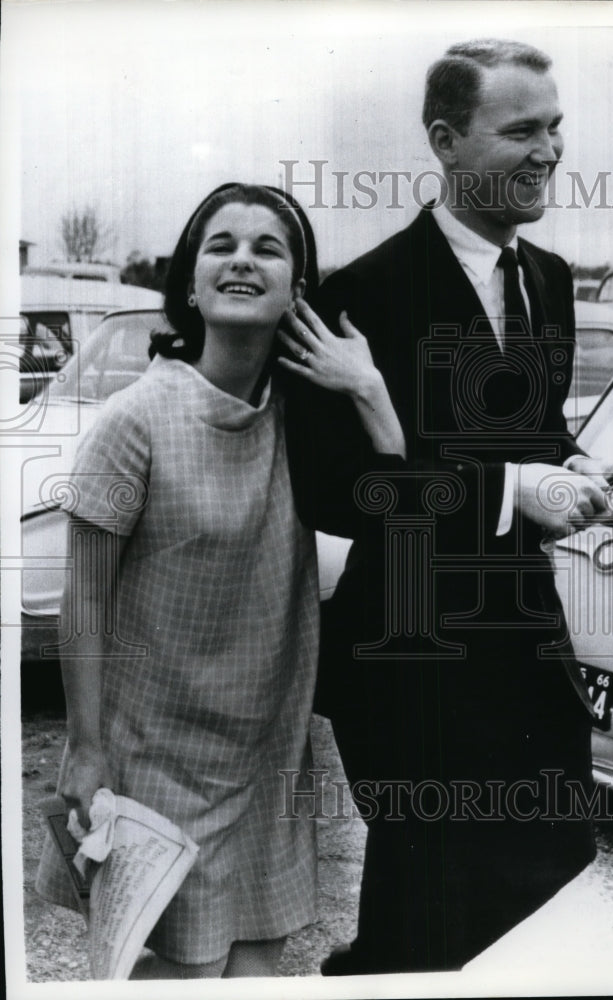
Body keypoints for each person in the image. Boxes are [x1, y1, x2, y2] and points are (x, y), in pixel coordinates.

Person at [298, 39, 613, 974]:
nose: (549, 151)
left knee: (546, 889)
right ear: (445, 141)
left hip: (528, 641)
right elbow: (331, 488)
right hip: (411, 655)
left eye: (555, 127)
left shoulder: (552, 281)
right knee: (429, 914)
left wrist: (588, 468)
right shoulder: (360, 294)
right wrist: (509, 490)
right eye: (520, 130)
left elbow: (533, 440)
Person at [35, 182, 404, 980]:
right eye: (221, 246)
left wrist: (369, 389)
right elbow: (85, 600)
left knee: (261, 979)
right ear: (191, 285)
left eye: (268, 248)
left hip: (269, 763)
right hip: (154, 769)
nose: (243, 259)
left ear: (297, 291)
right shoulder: (134, 419)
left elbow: (414, 510)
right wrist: (85, 748)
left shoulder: (308, 423)